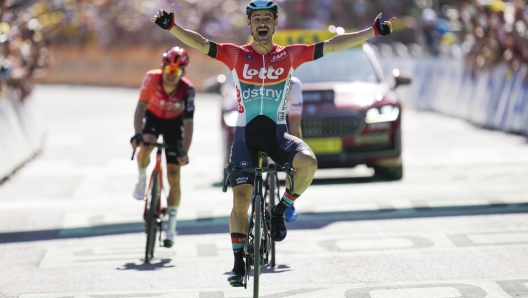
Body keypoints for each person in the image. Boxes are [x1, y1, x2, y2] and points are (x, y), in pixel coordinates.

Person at [151, 0, 394, 287]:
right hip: (245, 137)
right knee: (241, 199)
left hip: (278, 136)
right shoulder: (236, 55)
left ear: (275, 23)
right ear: (250, 24)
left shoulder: (291, 56)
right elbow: (201, 42)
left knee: (309, 163)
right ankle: (238, 263)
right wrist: (173, 28)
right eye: (257, 19)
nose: (262, 23)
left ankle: (279, 211)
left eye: (268, 18)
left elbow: (333, 44)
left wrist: (372, 32)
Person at [130, 46, 195, 249]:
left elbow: (188, 123)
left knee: (174, 174)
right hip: (153, 120)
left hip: (174, 126)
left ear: (183, 73)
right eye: (168, 69)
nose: (171, 75)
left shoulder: (187, 89)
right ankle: (142, 180)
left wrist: (184, 151)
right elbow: (141, 106)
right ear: (162, 67)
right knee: (146, 145)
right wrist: (138, 133)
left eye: (177, 71)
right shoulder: (151, 78)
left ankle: (172, 227)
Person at [284, 76, 303, 223]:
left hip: (285, 120)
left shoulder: (293, 84)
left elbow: (295, 123)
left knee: (292, 157)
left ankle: (289, 201)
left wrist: (297, 151)